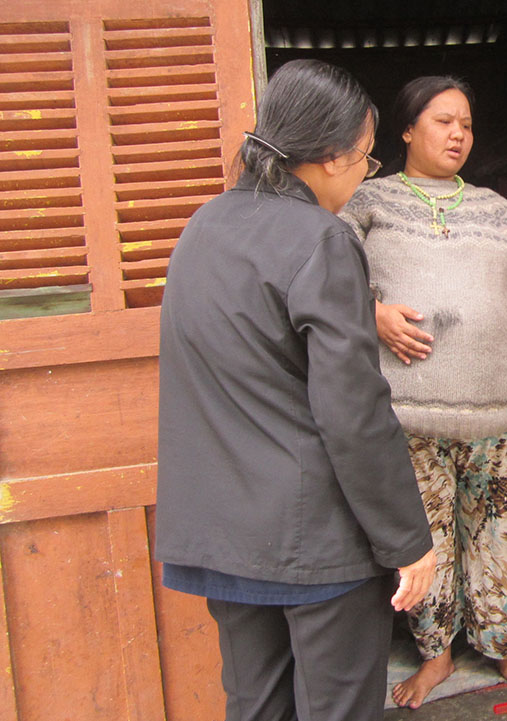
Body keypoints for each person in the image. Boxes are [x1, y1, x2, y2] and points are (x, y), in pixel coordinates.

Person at [154, 59, 435, 721]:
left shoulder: (202, 229)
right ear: (333, 156)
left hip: (224, 534)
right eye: (367, 160)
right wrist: (407, 541)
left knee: (255, 706)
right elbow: (353, 411)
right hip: (315, 544)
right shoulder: (321, 240)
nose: (364, 175)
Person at [340, 75, 507, 709]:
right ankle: (435, 653)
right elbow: (326, 271)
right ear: (407, 129)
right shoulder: (366, 201)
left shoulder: (497, 207)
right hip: (408, 408)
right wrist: (370, 309)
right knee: (424, 537)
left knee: (504, 529)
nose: (459, 133)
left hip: (499, 403)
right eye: (443, 121)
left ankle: (506, 648)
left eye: (465, 123)